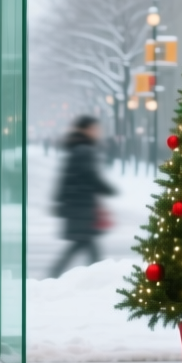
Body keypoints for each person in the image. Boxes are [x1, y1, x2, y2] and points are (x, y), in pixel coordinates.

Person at [50, 116, 116, 277]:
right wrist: (107, 189)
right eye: (95, 129)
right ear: (86, 129)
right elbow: (90, 176)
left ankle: (57, 275)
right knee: (85, 243)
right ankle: (98, 278)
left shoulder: (77, 148)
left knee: (83, 243)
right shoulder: (84, 150)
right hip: (82, 205)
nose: (98, 133)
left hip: (77, 204)